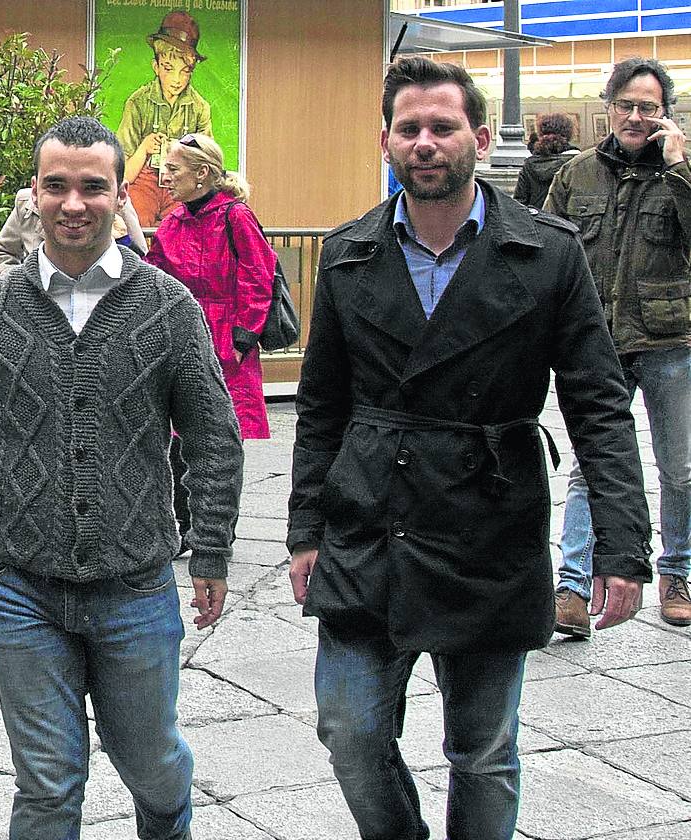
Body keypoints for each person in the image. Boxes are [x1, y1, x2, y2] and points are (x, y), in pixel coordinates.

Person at [287, 57, 651, 840]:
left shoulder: (547, 252)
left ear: (479, 138)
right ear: (383, 140)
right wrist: (303, 531)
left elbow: (597, 405)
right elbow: (319, 407)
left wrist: (623, 545)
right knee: (348, 734)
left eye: (442, 127)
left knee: (482, 752)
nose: (425, 142)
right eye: (409, 128)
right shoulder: (349, 255)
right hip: (368, 525)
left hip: (488, 523)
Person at [0, 115, 242, 839]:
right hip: (22, 586)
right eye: (57, 186)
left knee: (153, 767)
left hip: (133, 586)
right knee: (46, 784)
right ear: (33, 194)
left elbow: (212, 437)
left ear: (118, 198)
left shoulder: (166, 307)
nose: (74, 203)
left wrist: (215, 549)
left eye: (93, 187)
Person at [544, 58, 691, 637]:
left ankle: (676, 572)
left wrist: (679, 168)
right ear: (608, 107)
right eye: (626, 104)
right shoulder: (576, 174)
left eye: (648, 107)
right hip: (598, 342)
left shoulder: (682, 172)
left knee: (679, 470)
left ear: (665, 114)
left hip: (670, 340)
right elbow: (547, 249)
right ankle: (572, 588)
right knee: (589, 466)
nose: (636, 116)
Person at [146, 132, 275, 536]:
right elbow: (153, 274)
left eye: (172, 169)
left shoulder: (235, 216)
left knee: (220, 438)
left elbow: (259, 273)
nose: (164, 177)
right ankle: (184, 522)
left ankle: (217, 526)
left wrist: (244, 336)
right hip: (182, 333)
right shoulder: (174, 221)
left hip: (226, 335)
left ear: (202, 174)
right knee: (177, 437)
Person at [116, 10, 213, 227]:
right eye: (169, 69)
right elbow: (122, 175)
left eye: (185, 71)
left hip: (182, 183)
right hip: (144, 179)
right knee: (135, 222)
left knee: (184, 226)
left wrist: (187, 154)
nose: (177, 80)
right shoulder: (137, 103)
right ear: (156, 66)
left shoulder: (199, 108)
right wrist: (144, 148)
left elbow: (208, 170)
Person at [0, 184, 147, 279]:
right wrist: (20, 288)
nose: (73, 206)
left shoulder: (115, 203)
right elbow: (3, 251)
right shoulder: (26, 203)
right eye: (56, 185)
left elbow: (143, 262)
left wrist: (122, 239)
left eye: (91, 187)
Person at [513, 113, 579, 210]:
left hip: (536, 220)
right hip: (565, 222)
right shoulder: (576, 162)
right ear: (568, 134)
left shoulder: (530, 164)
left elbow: (520, 201)